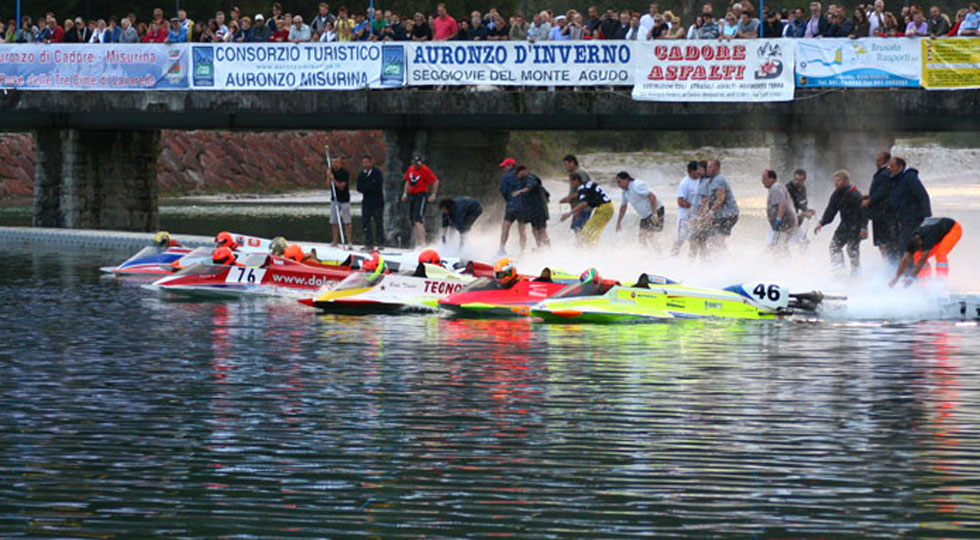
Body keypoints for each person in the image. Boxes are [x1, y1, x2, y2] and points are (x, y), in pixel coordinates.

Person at [815, 170, 868, 273]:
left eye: (839, 180)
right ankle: (839, 269)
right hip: (844, 225)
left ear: (846, 181)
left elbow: (864, 213)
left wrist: (863, 228)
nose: (836, 183)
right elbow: (831, 210)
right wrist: (822, 222)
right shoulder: (836, 193)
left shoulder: (854, 194)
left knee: (852, 250)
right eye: (835, 180)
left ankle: (856, 273)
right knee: (834, 246)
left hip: (856, 225)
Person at [889, 217, 962, 286]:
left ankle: (941, 282)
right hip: (938, 232)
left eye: (920, 248)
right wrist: (896, 278)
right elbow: (905, 259)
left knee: (940, 253)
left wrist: (911, 278)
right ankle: (924, 282)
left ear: (920, 242)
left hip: (953, 229)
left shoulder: (927, 239)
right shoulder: (912, 240)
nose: (921, 249)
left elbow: (922, 259)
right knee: (917, 255)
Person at [888, 156, 932, 251]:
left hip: (913, 218)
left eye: (892, 166)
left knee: (907, 245)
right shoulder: (897, 178)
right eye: (889, 167)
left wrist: (927, 216)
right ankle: (906, 265)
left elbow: (923, 195)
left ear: (900, 166)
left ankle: (911, 266)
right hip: (903, 218)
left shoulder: (910, 177)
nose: (890, 169)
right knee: (901, 245)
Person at [862, 151, 899, 262]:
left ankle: (890, 266)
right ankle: (888, 265)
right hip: (879, 213)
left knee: (885, 243)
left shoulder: (886, 174)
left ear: (886, 161)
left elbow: (883, 192)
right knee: (881, 243)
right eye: (876, 160)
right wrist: (869, 197)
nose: (876, 162)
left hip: (883, 213)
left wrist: (870, 200)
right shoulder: (882, 173)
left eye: (879, 160)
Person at [561, 173, 614, 248]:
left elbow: (583, 204)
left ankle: (590, 251)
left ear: (576, 181)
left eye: (571, 181)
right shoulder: (586, 185)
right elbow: (580, 194)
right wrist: (569, 198)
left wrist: (569, 214)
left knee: (588, 232)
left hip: (605, 209)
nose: (570, 184)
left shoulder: (582, 188)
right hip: (605, 208)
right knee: (591, 231)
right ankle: (591, 249)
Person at [696, 159, 739, 251]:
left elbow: (720, 199)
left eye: (710, 167)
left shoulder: (719, 179)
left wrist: (710, 212)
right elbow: (707, 198)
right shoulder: (710, 181)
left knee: (717, 238)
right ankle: (721, 257)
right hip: (719, 215)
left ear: (717, 168)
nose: (707, 169)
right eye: (707, 167)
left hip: (728, 214)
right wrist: (701, 213)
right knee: (711, 238)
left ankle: (724, 258)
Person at [614, 171, 664, 246]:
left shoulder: (637, 186)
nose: (618, 185)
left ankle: (660, 255)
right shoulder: (625, 192)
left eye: (619, 182)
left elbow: (653, 197)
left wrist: (654, 214)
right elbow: (623, 207)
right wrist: (618, 222)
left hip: (656, 211)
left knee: (650, 237)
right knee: (641, 238)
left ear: (626, 179)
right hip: (645, 216)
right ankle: (646, 255)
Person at [401, 153, 439, 248]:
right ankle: (417, 244)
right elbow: (407, 181)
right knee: (413, 220)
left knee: (418, 219)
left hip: (421, 195)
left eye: (417, 163)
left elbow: (435, 181)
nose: (416, 165)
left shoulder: (425, 170)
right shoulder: (410, 169)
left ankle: (423, 243)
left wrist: (433, 194)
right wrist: (405, 194)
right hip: (412, 195)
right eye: (414, 163)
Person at [761, 169, 798, 250]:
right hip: (786, 224)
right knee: (781, 245)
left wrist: (778, 219)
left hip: (784, 225)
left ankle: (779, 262)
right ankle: (786, 261)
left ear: (772, 179)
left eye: (765, 179)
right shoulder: (775, 188)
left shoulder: (775, 188)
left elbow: (782, 203)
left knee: (776, 247)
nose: (762, 182)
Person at [558, 155, 593, 240]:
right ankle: (579, 249)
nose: (565, 167)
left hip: (583, 207)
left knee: (580, 230)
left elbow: (585, 191)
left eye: (566, 164)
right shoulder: (574, 174)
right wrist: (567, 198)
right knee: (577, 230)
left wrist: (570, 198)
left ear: (572, 163)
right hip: (577, 208)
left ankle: (583, 250)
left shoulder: (581, 173)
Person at [498, 157, 527, 255]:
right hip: (523, 206)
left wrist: (509, 200)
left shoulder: (506, 177)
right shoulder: (523, 176)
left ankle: (501, 249)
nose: (504, 168)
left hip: (512, 205)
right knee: (522, 229)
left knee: (505, 227)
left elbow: (503, 191)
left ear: (510, 165)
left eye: (505, 166)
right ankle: (522, 251)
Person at [355, 155, 384, 248]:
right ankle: (369, 242)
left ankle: (380, 242)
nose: (365, 164)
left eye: (367, 162)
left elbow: (376, 185)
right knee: (365, 221)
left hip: (377, 201)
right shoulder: (362, 174)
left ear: (371, 162)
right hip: (366, 201)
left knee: (378, 221)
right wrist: (367, 187)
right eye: (364, 162)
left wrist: (367, 187)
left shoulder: (377, 173)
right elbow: (359, 187)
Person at [674, 161, 701, 255]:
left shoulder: (701, 180)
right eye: (697, 170)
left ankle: (691, 263)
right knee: (679, 241)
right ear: (691, 171)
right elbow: (680, 202)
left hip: (696, 218)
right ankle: (672, 259)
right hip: (684, 218)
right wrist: (693, 206)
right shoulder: (684, 183)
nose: (699, 172)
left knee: (694, 241)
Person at [327, 158, 352, 248]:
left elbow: (341, 187)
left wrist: (333, 179)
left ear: (339, 162)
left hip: (344, 200)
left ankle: (349, 242)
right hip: (334, 200)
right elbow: (327, 186)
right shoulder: (331, 172)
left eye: (335, 162)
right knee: (334, 221)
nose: (334, 164)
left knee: (347, 222)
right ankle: (335, 241)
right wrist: (328, 176)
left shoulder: (344, 173)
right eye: (332, 162)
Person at [786, 169, 816, 243]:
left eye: (800, 180)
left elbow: (803, 205)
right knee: (792, 246)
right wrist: (802, 214)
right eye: (795, 179)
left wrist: (809, 211)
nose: (797, 182)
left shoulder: (803, 189)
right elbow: (787, 210)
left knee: (806, 243)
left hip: (797, 225)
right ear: (793, 178)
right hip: (787, 225)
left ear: (804, 180)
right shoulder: (788, 189)